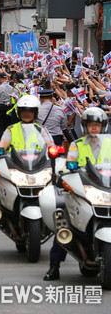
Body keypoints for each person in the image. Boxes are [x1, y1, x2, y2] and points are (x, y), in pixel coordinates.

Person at [0, 94, 54, 257]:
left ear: (35, 113)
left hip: (37, 169)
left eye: (30, 111)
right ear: (19, 112)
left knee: (58, 204)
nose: (27, 113)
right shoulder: (11, 129)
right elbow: (2, 145)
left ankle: (59, 251)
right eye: (24, 110)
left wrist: (54, 153)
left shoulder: (42, 130)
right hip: (16, 169)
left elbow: (50, 146)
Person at [43, 107, 110, 281]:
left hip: (106, 188)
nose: (94, 128)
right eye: (90, 125)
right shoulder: (76, 145)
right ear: (85, 126)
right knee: (65, 221)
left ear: (103, 126)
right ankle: (54, 266)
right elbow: (69, 163)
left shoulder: (110, 144)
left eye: (97, 125)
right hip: (83, 190)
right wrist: (67, 171)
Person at [0, 73, 13, 142]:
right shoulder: (11, 88)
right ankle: (7, 141)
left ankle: (1, 142)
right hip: (8, 107)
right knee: (7, 126)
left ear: (0, 78)